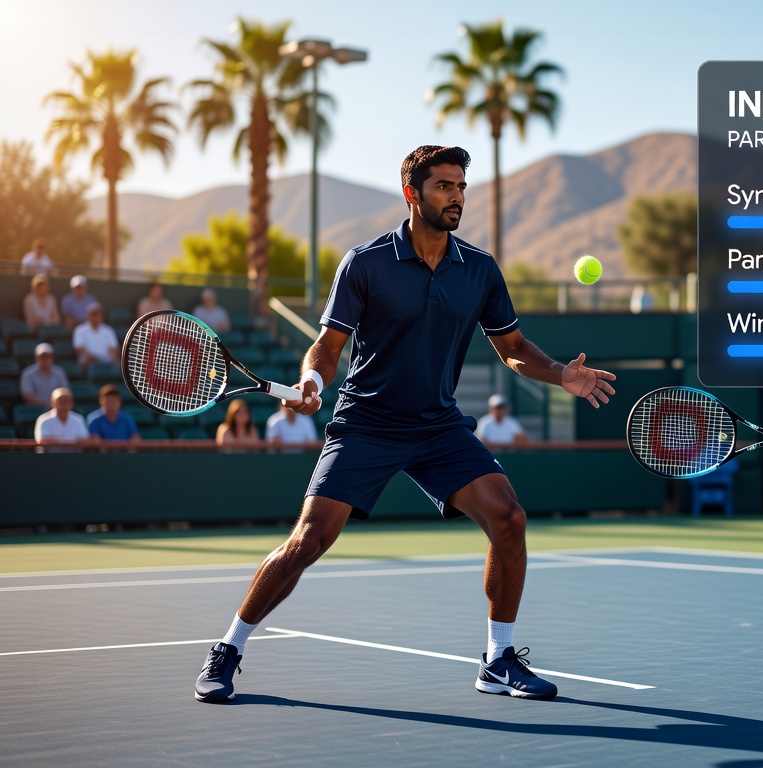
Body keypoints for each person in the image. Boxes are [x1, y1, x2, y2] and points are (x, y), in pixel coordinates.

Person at [193, 145, 616, 704]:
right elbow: (327, 345)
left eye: (461, 186)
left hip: (438, 426)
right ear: (413, 194)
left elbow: (512, 347)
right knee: (310, 539)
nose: (457, 196)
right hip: (367, 422)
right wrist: (314, 382)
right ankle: (229, 647)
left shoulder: (480, 270)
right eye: (444, 186)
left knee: (509, 519)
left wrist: (561, 374)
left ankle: (498, 659)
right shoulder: (366, 263)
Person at [20, 343, 69, 407]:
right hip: (35, 409)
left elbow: (64, 392)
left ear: (52, 357)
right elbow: (27, 396)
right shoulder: (27, 373)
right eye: (42, 357)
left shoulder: (59, 372)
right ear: (36, 358)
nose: (45, 360)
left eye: (48, 356)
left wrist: (54, 404)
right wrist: (47, 404)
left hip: (55, 409)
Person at [72, 303, 118, 370]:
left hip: (106, 361)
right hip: (88, 362)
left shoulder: (108, 330)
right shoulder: (79, 330)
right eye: (93, 314)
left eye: (98, 314)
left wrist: (112, 360)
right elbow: (79, 349)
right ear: (87, 315)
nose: (95, 317)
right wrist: (95, 358)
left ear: (102, 316)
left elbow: (113, 349)